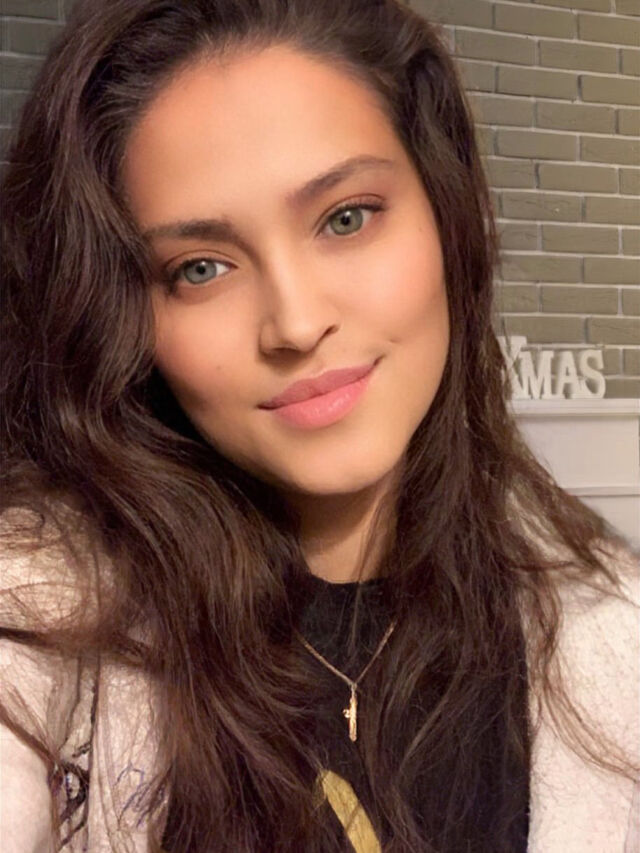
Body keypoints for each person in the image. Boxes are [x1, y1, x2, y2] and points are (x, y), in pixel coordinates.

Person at [0, 0, 638, 850]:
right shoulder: (40, 617)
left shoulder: (609, 625)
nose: (296, 325)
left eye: (346, 217)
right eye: (201, 268)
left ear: (445, 215)